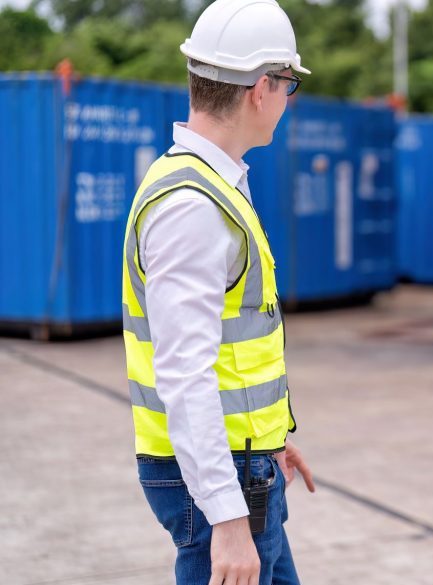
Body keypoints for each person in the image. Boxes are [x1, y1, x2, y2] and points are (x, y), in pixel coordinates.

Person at [121, 1, 315, 583]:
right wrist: (227, 521)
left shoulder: (212, 185)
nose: (288, 99)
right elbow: (184, 372)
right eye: (290, 85)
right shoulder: (193, 207)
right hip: (222, 482)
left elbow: (236, 346)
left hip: (248, 463)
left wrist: (273, 440)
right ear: (262, 88)